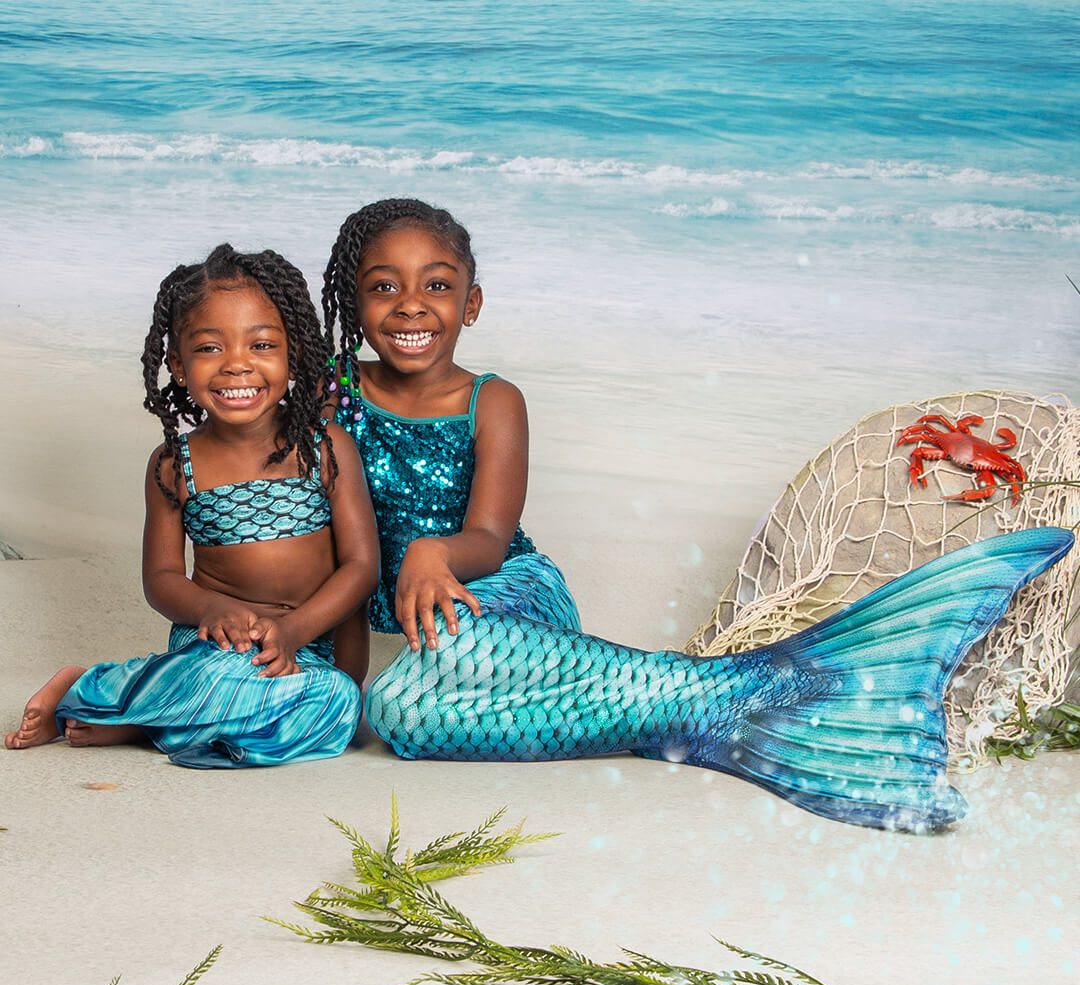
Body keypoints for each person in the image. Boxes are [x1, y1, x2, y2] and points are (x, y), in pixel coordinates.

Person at [323, 197, 1071, 830]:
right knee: (409, 703)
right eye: (383, 286)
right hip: (410, 614)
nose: (411, 305)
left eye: (438, 285)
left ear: (471, 304)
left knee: (403, 702)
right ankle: (723, 697)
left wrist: (434, 551)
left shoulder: (494, 400)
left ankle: (725, 690)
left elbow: (487, 536)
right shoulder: (333, 394)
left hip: (499, 586)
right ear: (351, 301)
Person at [6, 244, 379, 767]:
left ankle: (141, 717)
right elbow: (161, 577)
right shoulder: (174, 465)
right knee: (219, 676)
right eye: (209, 349)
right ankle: (92, 687)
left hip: (310, 646)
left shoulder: (323, 447)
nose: (237, 365)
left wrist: (295, 631)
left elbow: (363, 567)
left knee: (337, 704)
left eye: (262, 345)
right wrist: (209, 608)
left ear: (293, 356)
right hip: (216, 646)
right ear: (178, 366)